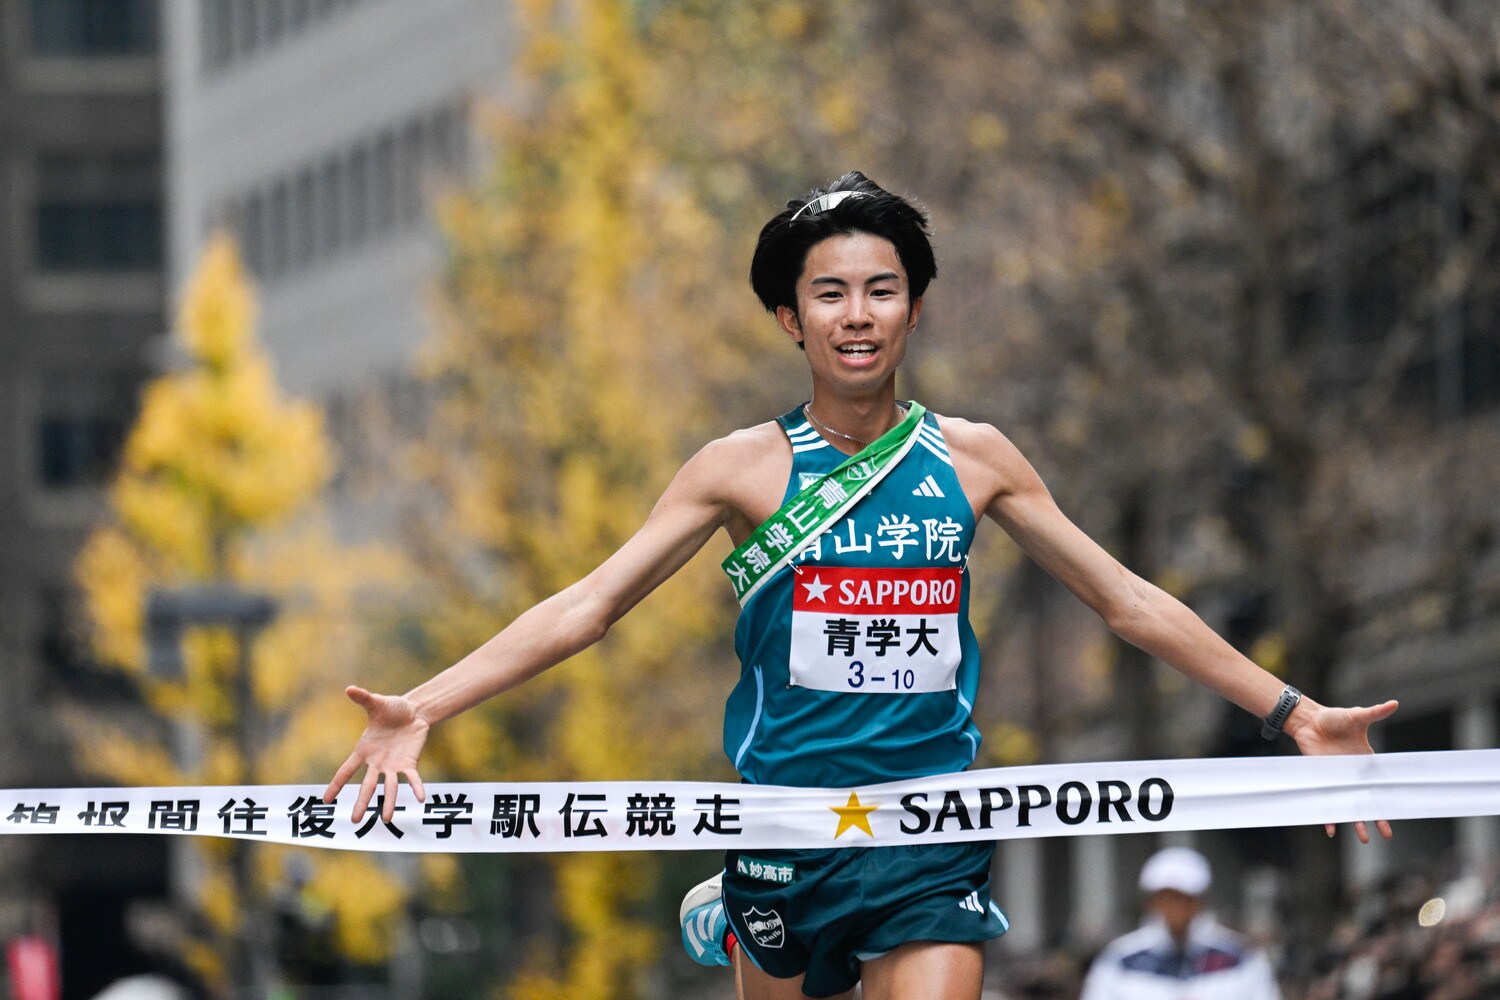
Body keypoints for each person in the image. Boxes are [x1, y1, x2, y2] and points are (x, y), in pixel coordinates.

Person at [322, 171, 1397, 1000]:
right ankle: (733, 907)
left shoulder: (974, 458)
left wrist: (1290, 710)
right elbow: (587, 607)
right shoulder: (737, 469)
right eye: (829, 292)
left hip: (928, 829)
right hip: (788, 825)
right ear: (791, 319)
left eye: (882, 290)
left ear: (915, 311)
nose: (857, 313)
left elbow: (1129, 601)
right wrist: (429, 704)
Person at [1079, 846, 1282, 1000]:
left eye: (1183, 898)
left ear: (1201, 900)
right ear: (1150, 902)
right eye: (1165, 897)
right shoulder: (1121, 959)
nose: (1174, 907)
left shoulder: (1239, 957)